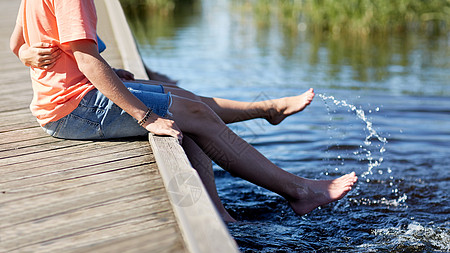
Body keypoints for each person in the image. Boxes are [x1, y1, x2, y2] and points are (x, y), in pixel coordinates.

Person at [10, 0, 357, 222]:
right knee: (193, 116)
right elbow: (86, 60)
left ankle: (222, 207)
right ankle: (299, 191)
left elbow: (18, 42)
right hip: (74, 107)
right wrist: (146, 117)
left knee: (187, 101)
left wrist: (30, 55)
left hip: (68, 98)